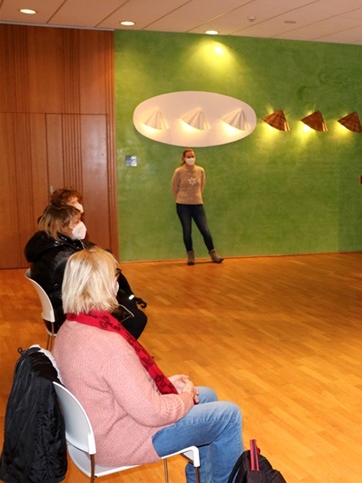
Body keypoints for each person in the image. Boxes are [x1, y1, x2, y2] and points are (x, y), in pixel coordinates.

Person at [52, 246, 243, 482]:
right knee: (228, 416)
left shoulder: (69, 328)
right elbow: (153, 413)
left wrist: (164, 384)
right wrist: (184, 397)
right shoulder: (107, 343)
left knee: (208, 396)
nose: (117, 281)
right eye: (115, 275)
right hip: (123, 439)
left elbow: (113, 383)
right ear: (103, 284)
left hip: (97, 432)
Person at [24, 205, 147, 338]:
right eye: (76, 222)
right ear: (62, 226)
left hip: (62, 308)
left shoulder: (47, 244)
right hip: (68, 314)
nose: (81, 224)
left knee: (126, 302)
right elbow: (92, 285)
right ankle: (107, 348)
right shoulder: (65, 259)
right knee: (136, 319)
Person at [171, 149, 223, 265]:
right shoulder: (179, 171)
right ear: (183, 158)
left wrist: (195, 197)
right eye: (188, 157)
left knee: (205, 230)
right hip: (183, 206)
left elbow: (201, 186)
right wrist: (181, 198)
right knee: (187, 231)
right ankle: (190, 256)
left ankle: (213, 254)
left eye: (192, 156)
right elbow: (174, 187)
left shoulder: (200, 170)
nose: (191, 158)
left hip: (197, 204)